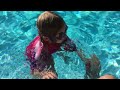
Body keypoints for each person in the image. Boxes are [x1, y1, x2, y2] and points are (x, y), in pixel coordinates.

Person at [25, 11, 77, 79]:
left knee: (70, 49)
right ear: (46, 38)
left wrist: (85, 59)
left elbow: (74, 48)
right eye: (61, 35)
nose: (65, 36)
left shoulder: (60, 37)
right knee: (52, 74)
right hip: (38, 55)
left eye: (65, 30)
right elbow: (33, 72)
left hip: (53, 44)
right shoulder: (40, 52)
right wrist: (44, 74)